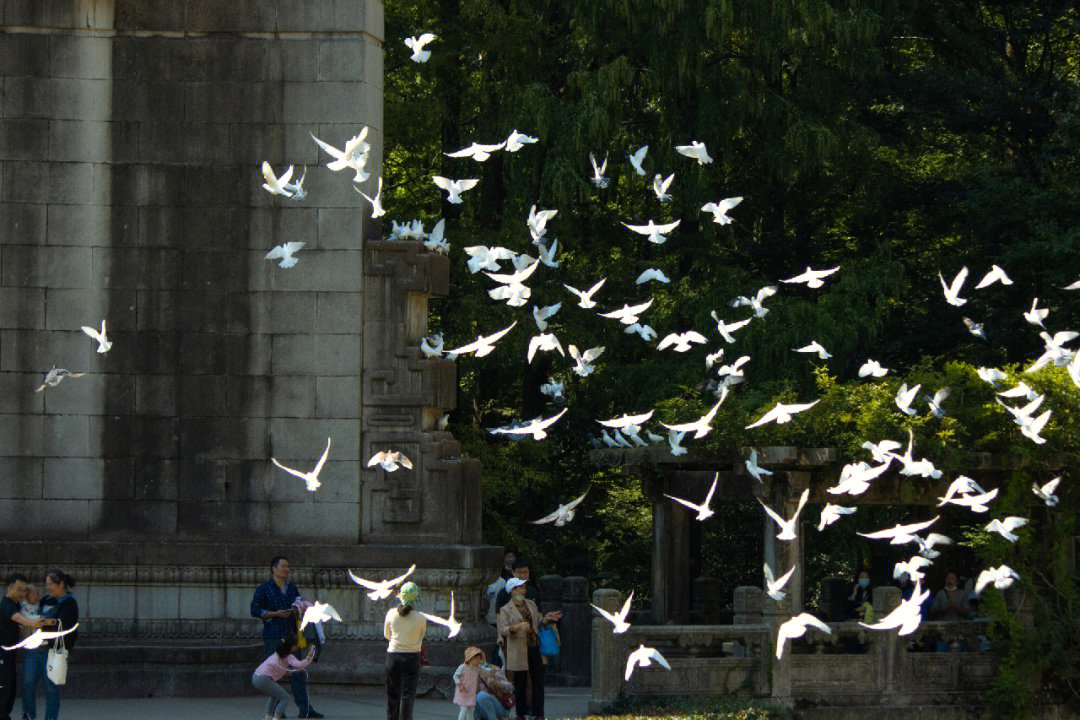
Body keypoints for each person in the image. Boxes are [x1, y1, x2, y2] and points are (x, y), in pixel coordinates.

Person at [249, 556, 324, 719]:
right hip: (273, 636)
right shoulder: (264, 588)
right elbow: (255, 610)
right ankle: (278, 712)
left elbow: (298, 604)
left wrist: (299, 608)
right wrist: (276, 614)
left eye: (288, 567)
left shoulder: (291, 588)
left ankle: (305, 709)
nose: (286, 569)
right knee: (273, 674)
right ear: (274, 569)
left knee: (297, 672)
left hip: (290, 636)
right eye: (283, 566)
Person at [21, 569, 75, 720]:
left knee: (51, 689)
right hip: (34, 649)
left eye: (50, 584)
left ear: (61, 584)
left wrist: (41, 624)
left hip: (52, 652)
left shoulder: (70, 604)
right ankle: (28, 716)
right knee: (27, 684)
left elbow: (66, 628)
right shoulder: (45, 600)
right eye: (47, 585)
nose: (48, 588)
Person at [3, 574, 54, 720]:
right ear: (10, 588)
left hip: (18, 652)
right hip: (9, 653)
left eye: (24, 590)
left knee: (11, 688)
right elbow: (18, 618)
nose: (22, 593)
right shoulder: (10, 605)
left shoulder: (23, 605)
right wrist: (33, 623)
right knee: (14, 687)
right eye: (19, 590)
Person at [497, 578, 549, 720]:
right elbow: (503, 628)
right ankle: (520, 714)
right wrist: (515, 628)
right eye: (520, 587)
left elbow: (537, 621)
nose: (523, 590)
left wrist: (545, 619)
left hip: (533, 647)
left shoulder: (531, 604)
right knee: (520, 683)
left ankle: (539, 713)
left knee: (538, 681)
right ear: (513, 591)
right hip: (518, 650)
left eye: (524, 587)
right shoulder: (505, 609)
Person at [385, 581, 426, 720]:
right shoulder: (421, 618)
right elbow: (421, 636)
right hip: (412, 657)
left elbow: (387, 635)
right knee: (408, 695)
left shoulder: (391, 614)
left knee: (392, 694)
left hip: (393, 656)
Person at [252, 634, 315, 720]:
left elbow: (278, 668)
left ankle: (268, 717)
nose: (298, 645)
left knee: (274, 696)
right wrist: (309, 657)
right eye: (297, 643)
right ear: (292, 647)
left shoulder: (277, 654)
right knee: (285, 698)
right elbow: (300, 664)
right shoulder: (289, 657)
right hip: (264, 678)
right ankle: (276, 718)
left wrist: (289, 672)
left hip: (256, 677)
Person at [452, 646, 486, 720]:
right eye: (476, 659)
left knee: (471, 710)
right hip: (463, 692)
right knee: (464, 710)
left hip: (471, 693)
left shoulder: (478, 668)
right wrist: (459, 684)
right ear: (470, 659)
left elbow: (484, 671)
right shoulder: (463, 667)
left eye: (479, 659)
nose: (478, 661)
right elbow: (455, 676)